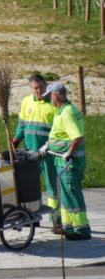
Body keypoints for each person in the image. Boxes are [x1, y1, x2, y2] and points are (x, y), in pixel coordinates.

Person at [43, 81, 90, 240]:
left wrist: (69, 153)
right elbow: (59, 134)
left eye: (50, 97)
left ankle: (82, 230)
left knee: (72, 195)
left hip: (70, 164)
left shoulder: (67, 113)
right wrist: (48, 144)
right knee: (66, 196)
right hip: (61, 163)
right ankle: (68, 226)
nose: (49, 100)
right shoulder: (62, 111)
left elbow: (77, 137)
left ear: (56, 96)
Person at [13, 72, 59, 212]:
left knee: (52, 185)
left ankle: (55, 216)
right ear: (31, 88)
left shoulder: (54, 104)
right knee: (30, 185)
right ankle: (31, 213)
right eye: (35, 88)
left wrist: (49, 145)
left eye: (41, 87)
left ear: (46, 86)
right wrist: (16, 140)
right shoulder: (26, 101)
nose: (39, 91)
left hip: (48, 153)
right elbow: (22, 125)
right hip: (30, 152)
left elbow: (58, 130)